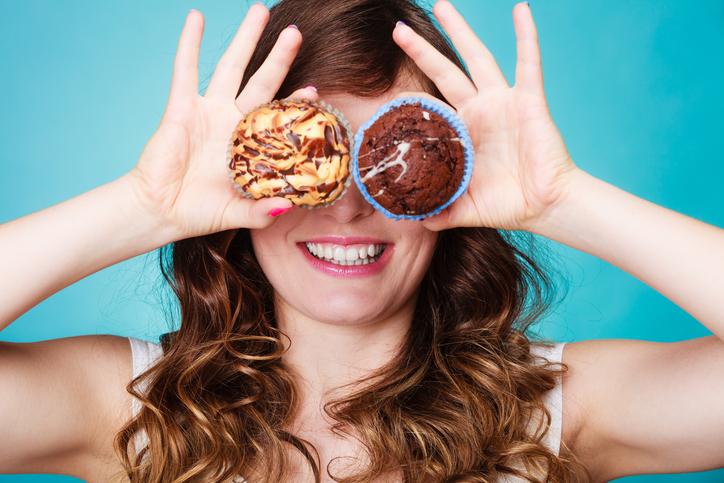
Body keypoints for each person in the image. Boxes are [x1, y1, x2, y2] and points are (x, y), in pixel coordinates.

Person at [0, 0, 722, 482]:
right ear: (247, 176)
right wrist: (144, 206)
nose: (348, 207)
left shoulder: (551, 412)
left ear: (452, 183)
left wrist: (563, 200)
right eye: (314, 161)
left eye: (394, 163)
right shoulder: (135, 408)